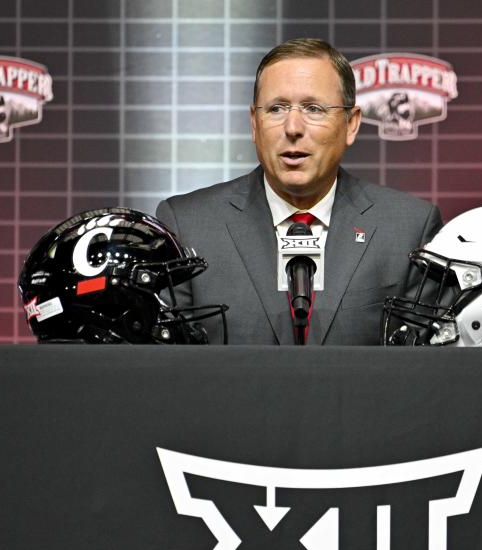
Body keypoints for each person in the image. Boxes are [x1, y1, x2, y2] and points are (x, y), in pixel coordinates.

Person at [157, 38, 442, 345]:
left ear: (351, 124)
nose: (293, 127)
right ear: (254, 123)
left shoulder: (409, 229)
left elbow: (422, 372)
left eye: (313, 108)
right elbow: (168, 371)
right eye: (276, 108)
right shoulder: (187, 226)